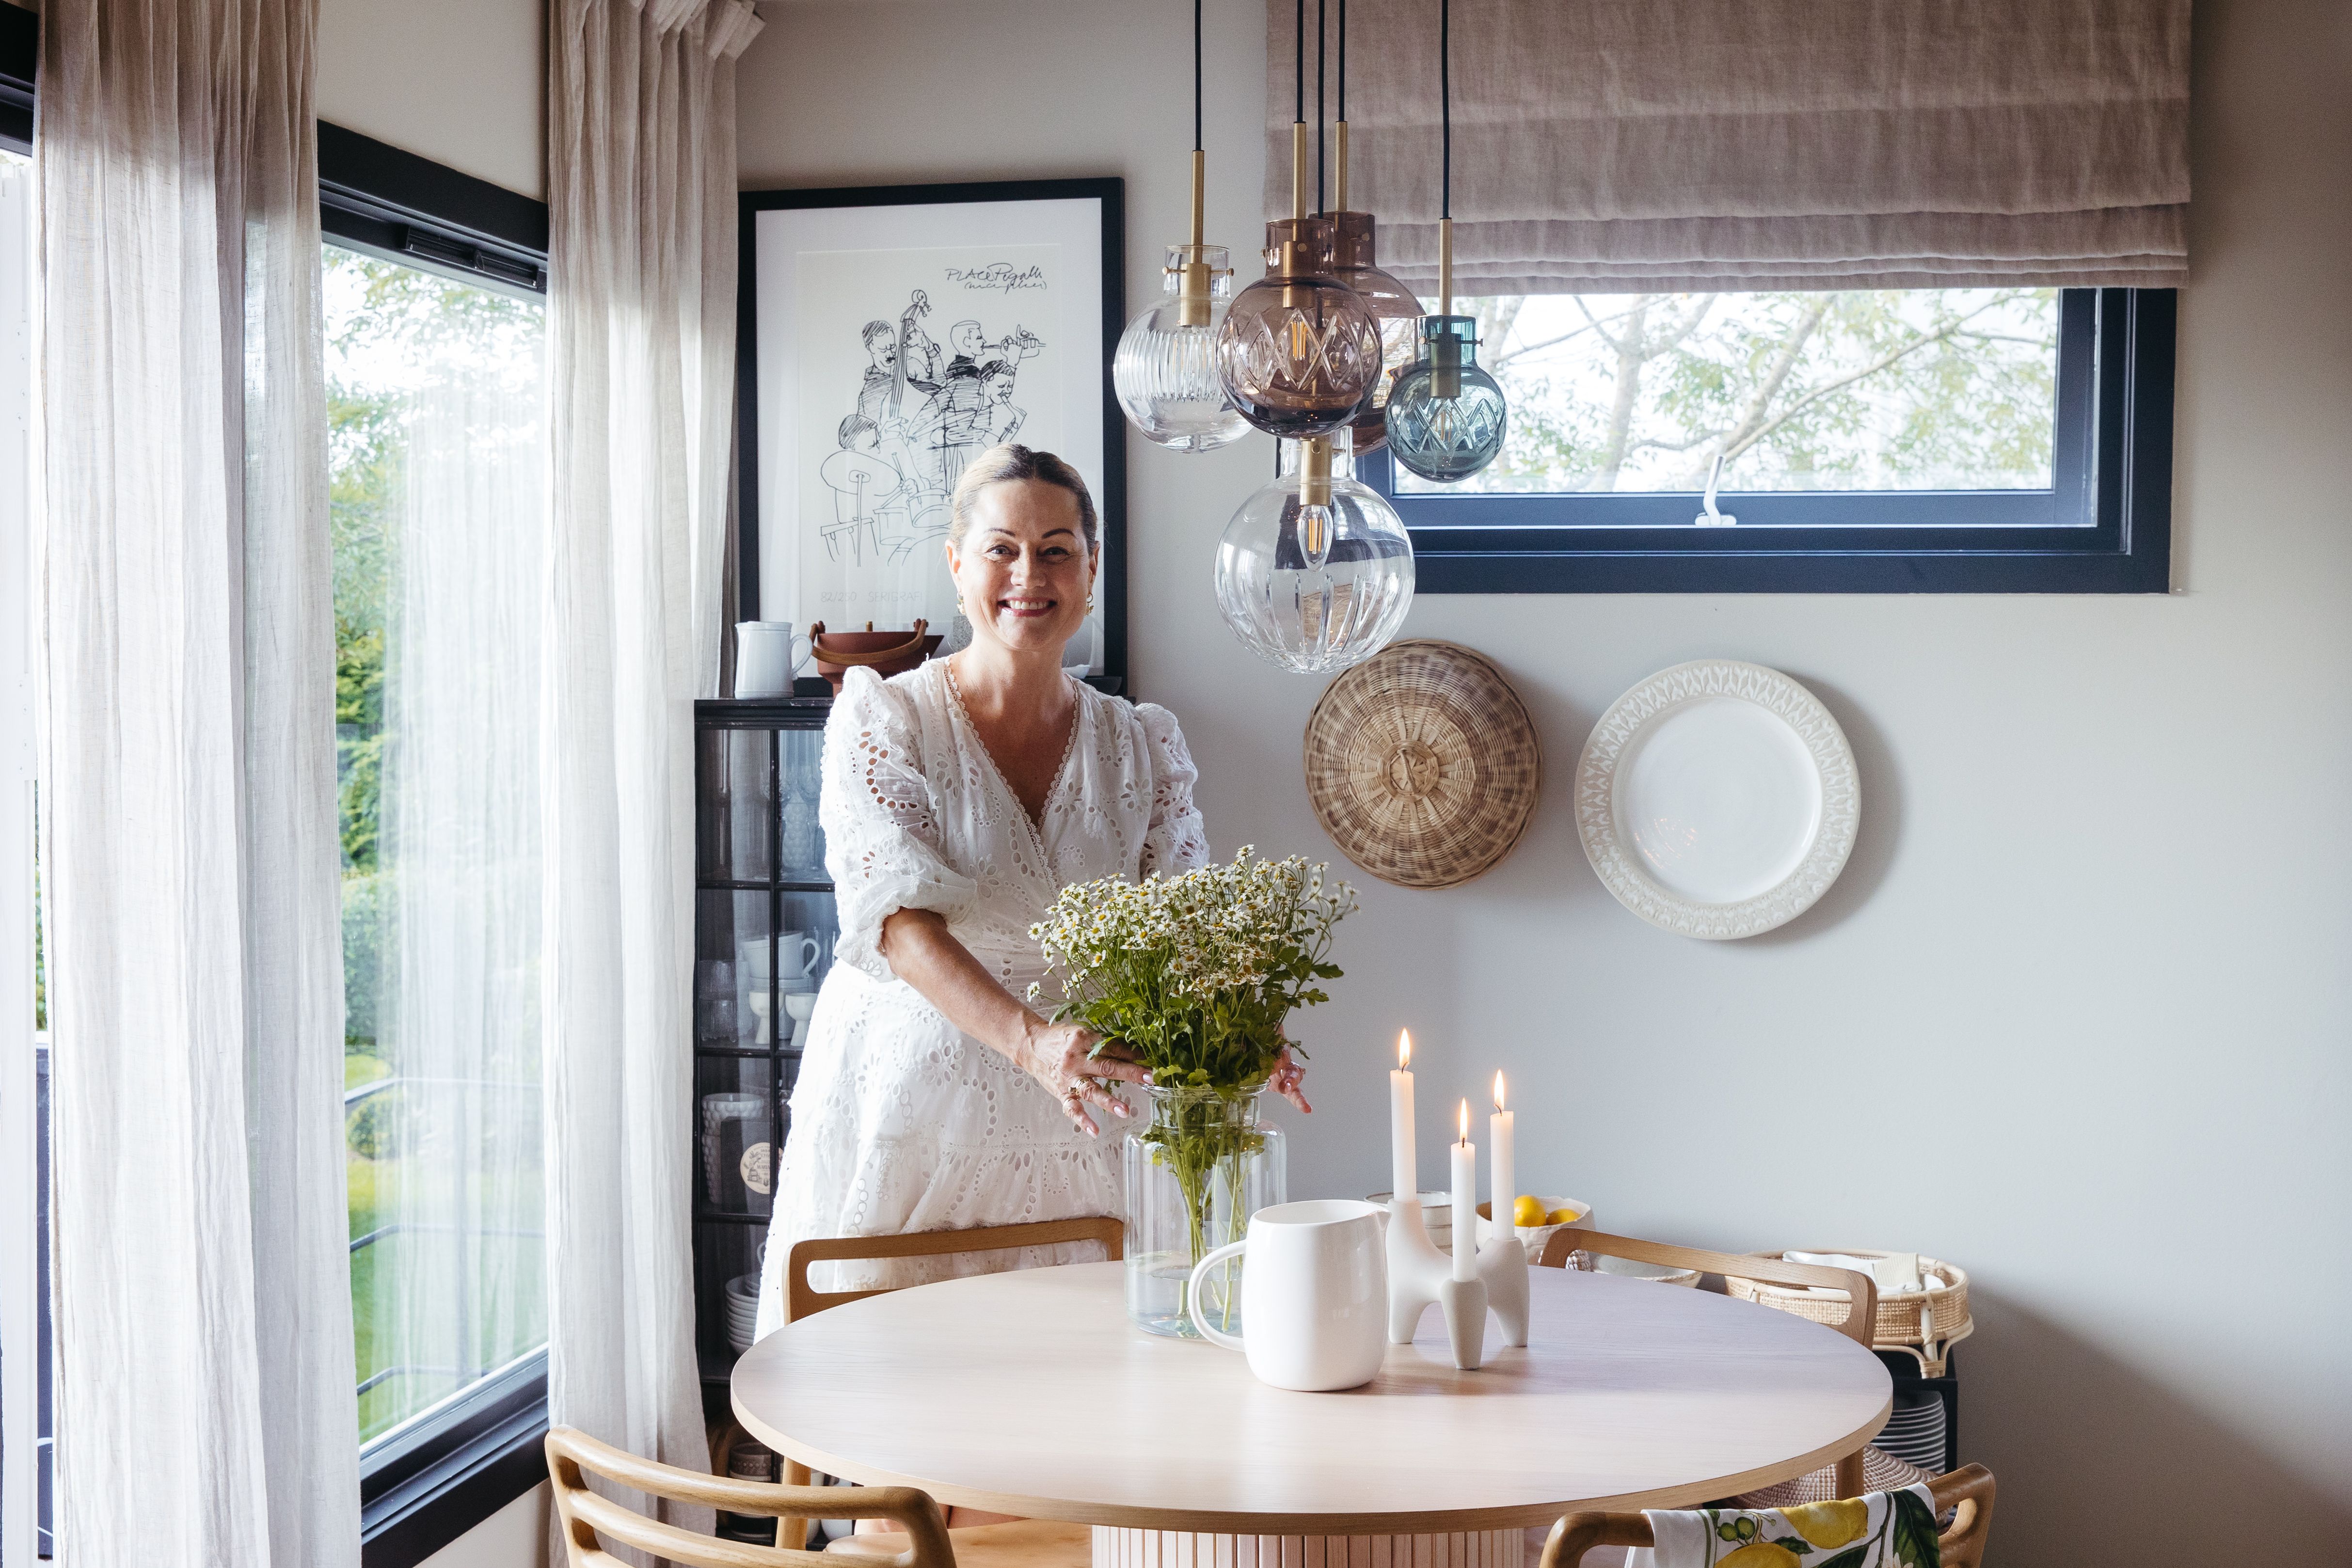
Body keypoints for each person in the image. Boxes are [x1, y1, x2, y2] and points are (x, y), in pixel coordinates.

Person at [753, 444, 1310, 1346]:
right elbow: (897, 923)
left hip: (1094, 1112)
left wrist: (1247, 1025)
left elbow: (1189, 932)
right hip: (920, 1106)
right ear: (956, 565)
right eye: (1001, 550)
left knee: (1097, 1366)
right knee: (900, 1369)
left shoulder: (1144, 741)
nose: (1029, 576)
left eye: (1056, 551)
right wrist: (1032, 1044)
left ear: (1091, 570)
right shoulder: (886, 715)